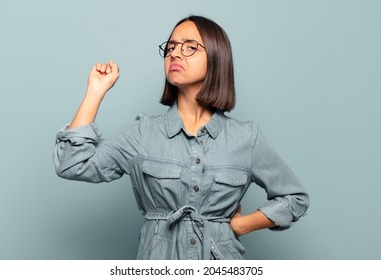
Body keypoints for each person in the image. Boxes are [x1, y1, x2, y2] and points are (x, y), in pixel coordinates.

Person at [53, 15, 309, 260]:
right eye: (171, 47)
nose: (175, 53)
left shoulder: (245, 137)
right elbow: (72, 164)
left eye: (190, 47)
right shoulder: (143, 133)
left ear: (217, 58)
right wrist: (95, 92)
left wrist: (244, 224)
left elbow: (295, 198)